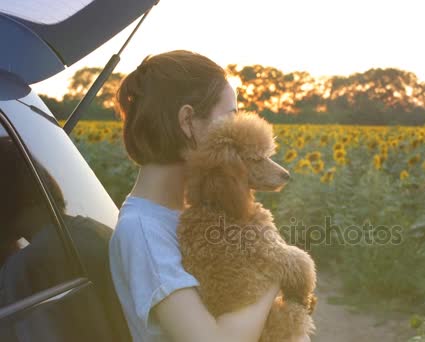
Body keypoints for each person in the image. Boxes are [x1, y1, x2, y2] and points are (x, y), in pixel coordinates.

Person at [108, 50, 310, 342]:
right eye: (231, 117)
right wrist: (275, 262)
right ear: (188, 121)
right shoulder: (142, 231)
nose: (239, 128)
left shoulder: (193, 214)